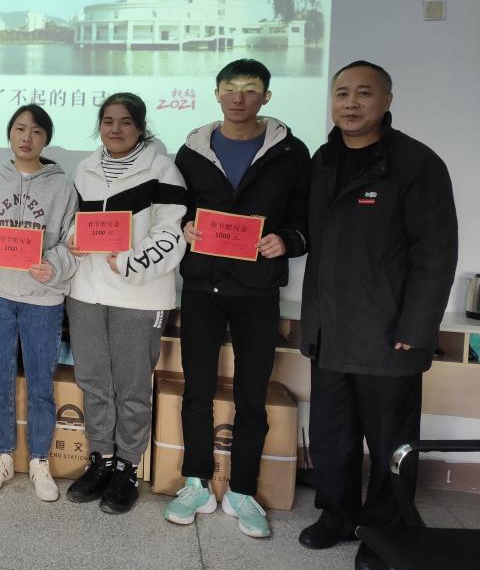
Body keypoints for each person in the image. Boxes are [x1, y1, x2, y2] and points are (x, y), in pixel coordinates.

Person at [298, 62, 457, 570]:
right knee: (331, 437)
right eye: (341, 92)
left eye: (364, 93)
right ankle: (338, 515)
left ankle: (387, 530)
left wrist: (417, 328)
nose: (351, 103)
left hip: (389, 333)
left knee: (390, 441)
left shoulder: (416, 163)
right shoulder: (323, 160)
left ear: (387, 100)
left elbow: (435, 253)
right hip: (329, 330)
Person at [165, 59, 310, 538]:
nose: (239, 96)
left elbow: (305, 217)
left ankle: (243, 490)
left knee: (252, 393)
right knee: (197, 389)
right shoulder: (192, 150)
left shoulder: (290, 152)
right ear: (217, 93)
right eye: (230, 87)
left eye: (250, 88)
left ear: (265, 96)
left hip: (257, 288)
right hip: (202, 286)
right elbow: (178, 209)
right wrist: (185, 226)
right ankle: (195, 482)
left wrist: (287, 240)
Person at [64, 92, 187, 515]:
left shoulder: (162, 169)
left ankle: (127, 467)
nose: (115, 129)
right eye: (108, 121)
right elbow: (74, 223)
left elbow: (172, 232)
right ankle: (101, 458)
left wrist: (132, 262)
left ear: (141, 126)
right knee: (94, 381)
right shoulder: (84, 169)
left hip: (139, 294)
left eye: (125, 121)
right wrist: (72, 241)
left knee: (132, 387)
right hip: (85, 292)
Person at [0, 104, 79, 502]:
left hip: (42, 298)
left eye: (36, 132)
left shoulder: (63, 186)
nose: (26, 138)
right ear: (9, 134)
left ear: (46, 139)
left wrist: (53, 265)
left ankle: (39, 460)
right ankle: (2, 456)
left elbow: (73, 243)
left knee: (40, 383)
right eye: (20, 129)